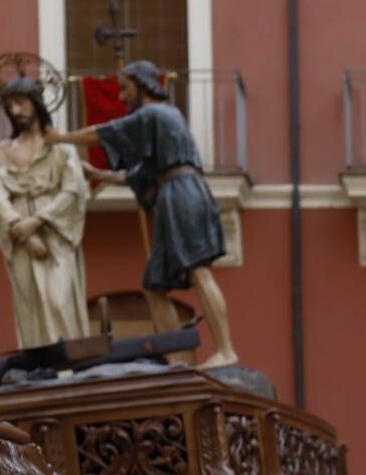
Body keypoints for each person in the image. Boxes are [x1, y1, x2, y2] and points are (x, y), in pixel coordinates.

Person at [47, 60, 239, 367]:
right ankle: (177, 358)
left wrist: (59, 138)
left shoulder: (156, 113)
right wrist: (98, 172)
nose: (121, 97)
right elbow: (138, 175)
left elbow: (105, 132)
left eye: (125, 88)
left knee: (199, 271)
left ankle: (226, 350)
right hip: (174, 194)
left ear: (143, 84)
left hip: (182, 195)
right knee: (154, 285)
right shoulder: (162, 124)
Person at [0, 75, 91, 348]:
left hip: (55, 231)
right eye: (10, 106)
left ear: (36, 103)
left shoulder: (60, 147)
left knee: (60, 299)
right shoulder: (3, 151)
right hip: (19, 235)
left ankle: (69, 365)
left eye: (21, 103)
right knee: (29, 304)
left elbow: (73, 189)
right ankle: (39, 366)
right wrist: (19, 227)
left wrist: (38, 221)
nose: (16, 111)